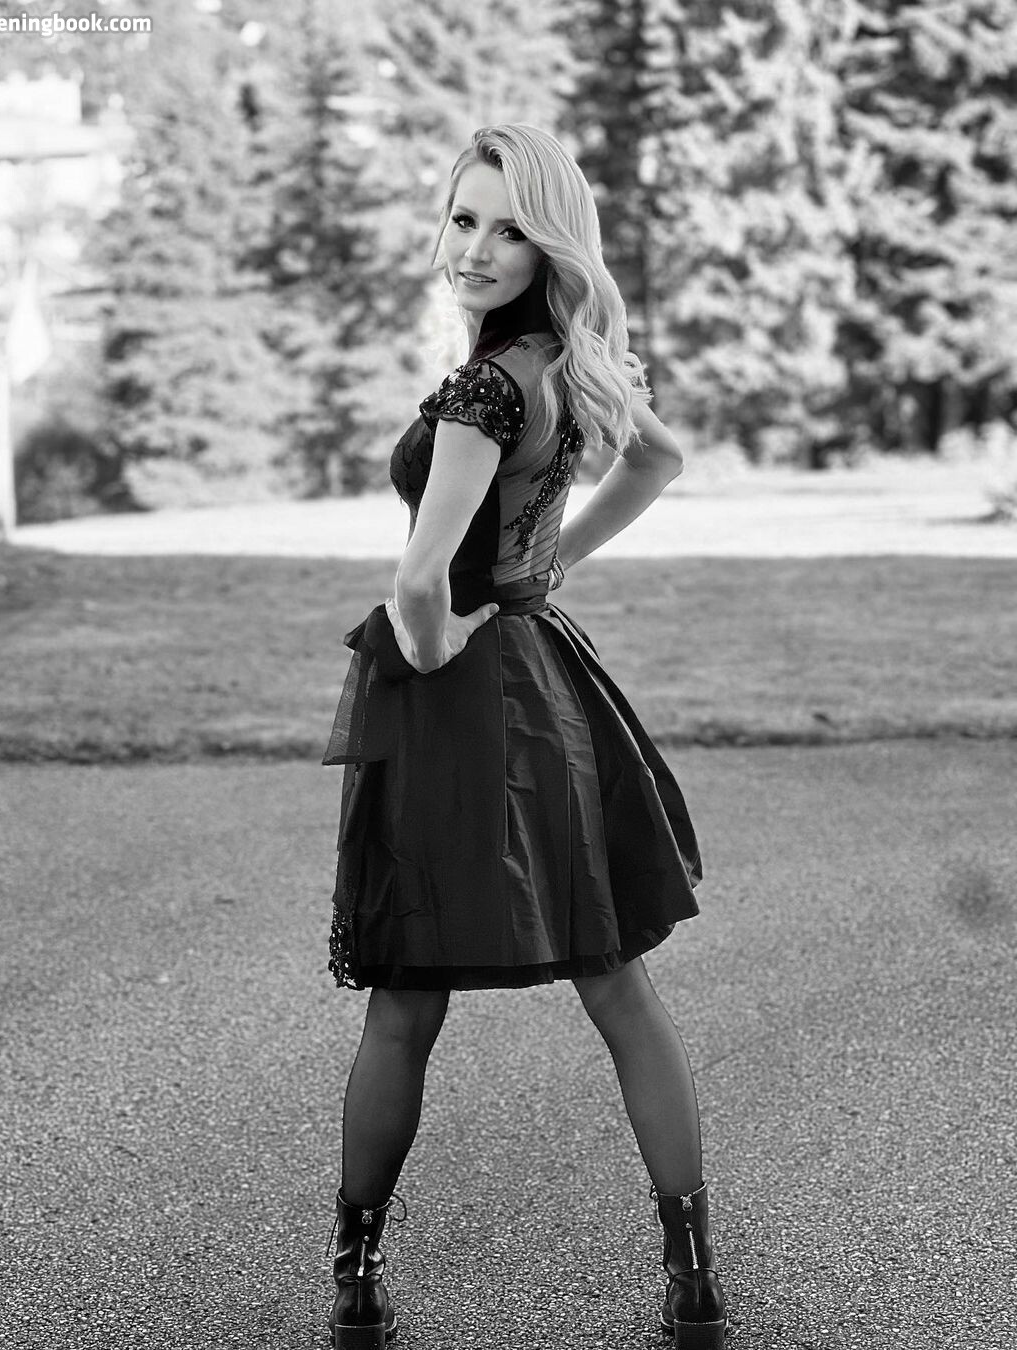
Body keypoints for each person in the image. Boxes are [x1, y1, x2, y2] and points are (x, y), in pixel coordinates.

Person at [321, 123, 728, 1350]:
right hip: (549, 684)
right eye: (464, 220)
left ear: (552, 243)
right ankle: (693, 1276)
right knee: (620, 986)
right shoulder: (563, 358)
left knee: (405, 1000)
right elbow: (658, 458)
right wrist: (547, 575)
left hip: (462, 702)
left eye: (511, 228)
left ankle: (354, 1271)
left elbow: (418, 582)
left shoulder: (484, 388)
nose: (478, 248)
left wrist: (432, 646)